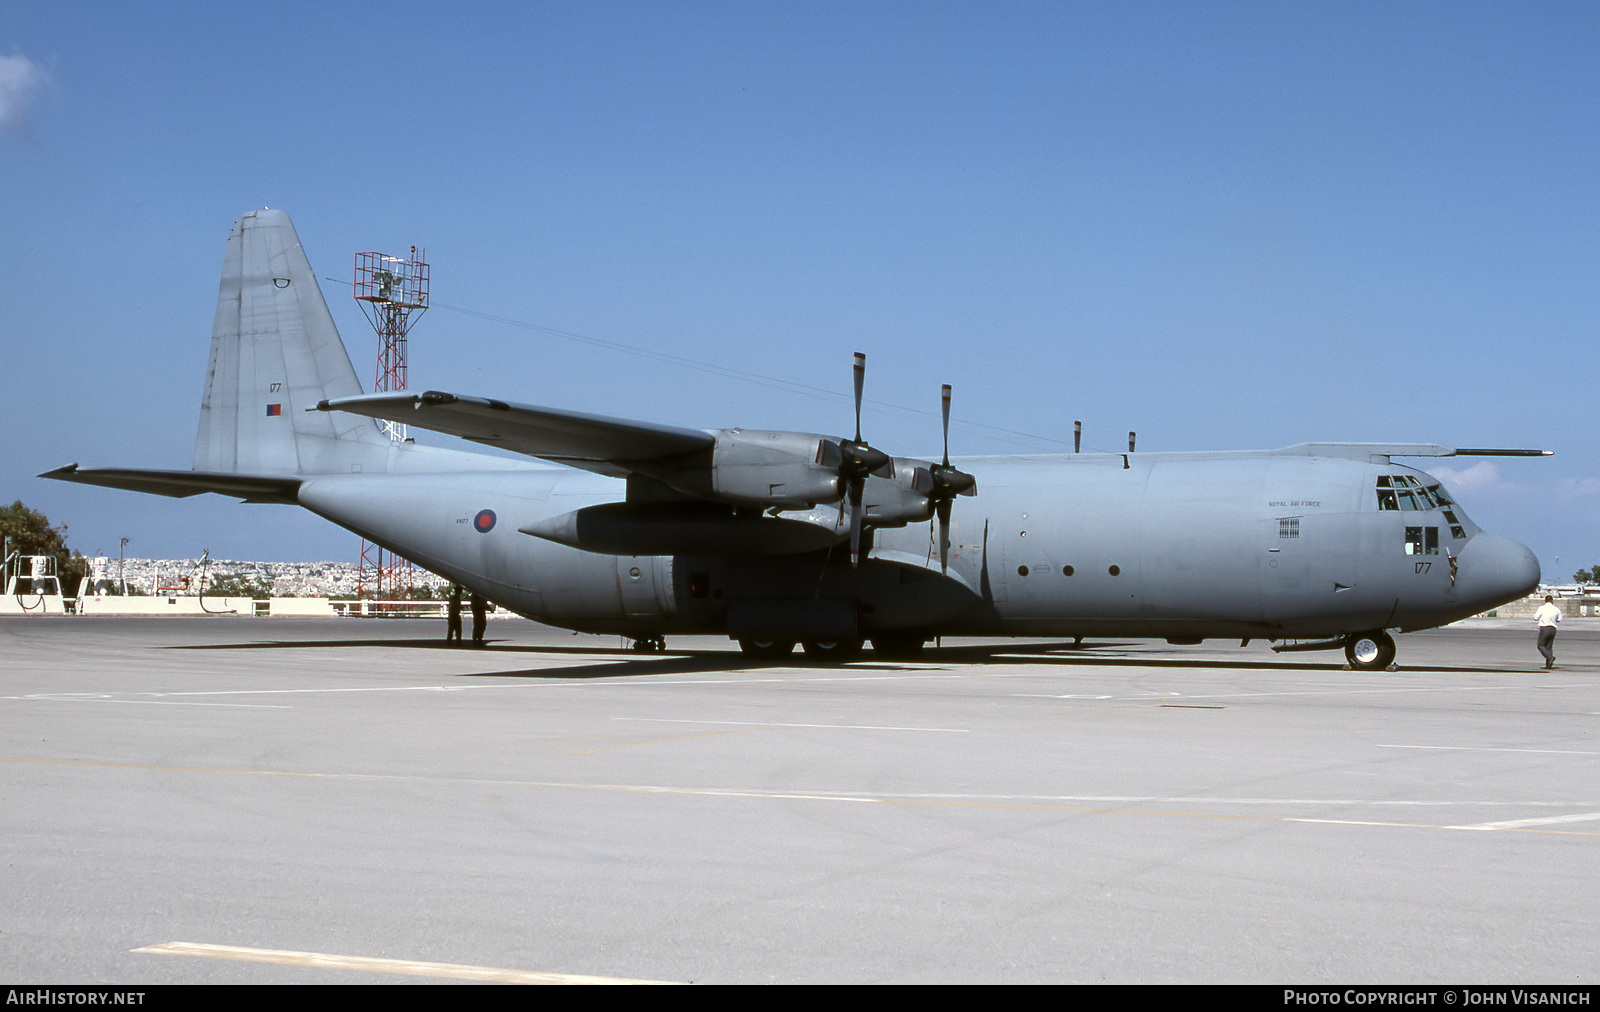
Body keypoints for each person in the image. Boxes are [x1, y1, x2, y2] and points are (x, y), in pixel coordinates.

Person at [1534, 594, 1562, 669]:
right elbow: (1559, 619)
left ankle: (1549, 657)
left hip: (1544, 628)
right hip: (1553, 628)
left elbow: (1536, 618)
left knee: (1540, 645)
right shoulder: (1556, 609)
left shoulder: (1542, 608)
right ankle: (1549, 665)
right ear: (1552, 601)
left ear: (1545, 601)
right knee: (1549, 646)